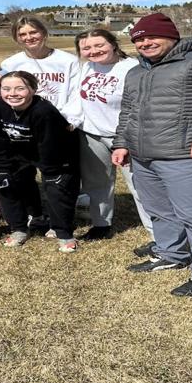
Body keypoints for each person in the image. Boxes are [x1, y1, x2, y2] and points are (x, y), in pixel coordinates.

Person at [111, 13, 192, 297]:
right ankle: (172, 254)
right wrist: (121, 143)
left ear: (172, 36)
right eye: (139, 39)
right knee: (158, 210)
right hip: (143, 155)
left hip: (184, 155)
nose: (145, 43)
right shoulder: (136, 71)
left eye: (152, 36)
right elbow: (129, 112)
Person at [0, 71, 80, 252]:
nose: (12, 93)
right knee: (6, 184)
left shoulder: (44, 111)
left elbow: (50, 145)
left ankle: (63, 232)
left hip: (56, 153)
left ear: (33, 90)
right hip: (18, 151)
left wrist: (51, 172)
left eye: (20, 88)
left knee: (56, 188)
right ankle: (19, 228)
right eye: (6, 89)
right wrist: (2, 168)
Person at [74, 28, 144, 241]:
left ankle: (159, 231)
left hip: (125, 136)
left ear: (113, 44)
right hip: (91, 134)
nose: (93, 51)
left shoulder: (132, 68)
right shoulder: (86, 67)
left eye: (99, 45)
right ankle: (101, 223)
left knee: (140, 184)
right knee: (97, 183)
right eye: (86, 48)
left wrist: (128, 137)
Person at [0, 17, 82, 129]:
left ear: (43, 33)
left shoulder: (69, 61)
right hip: (24, 123)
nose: (28, 37)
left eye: (33, 32)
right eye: (22, 34)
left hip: (60, 121)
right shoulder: (10, 64)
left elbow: (76, 93)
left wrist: (70, 120)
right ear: (16, 38)